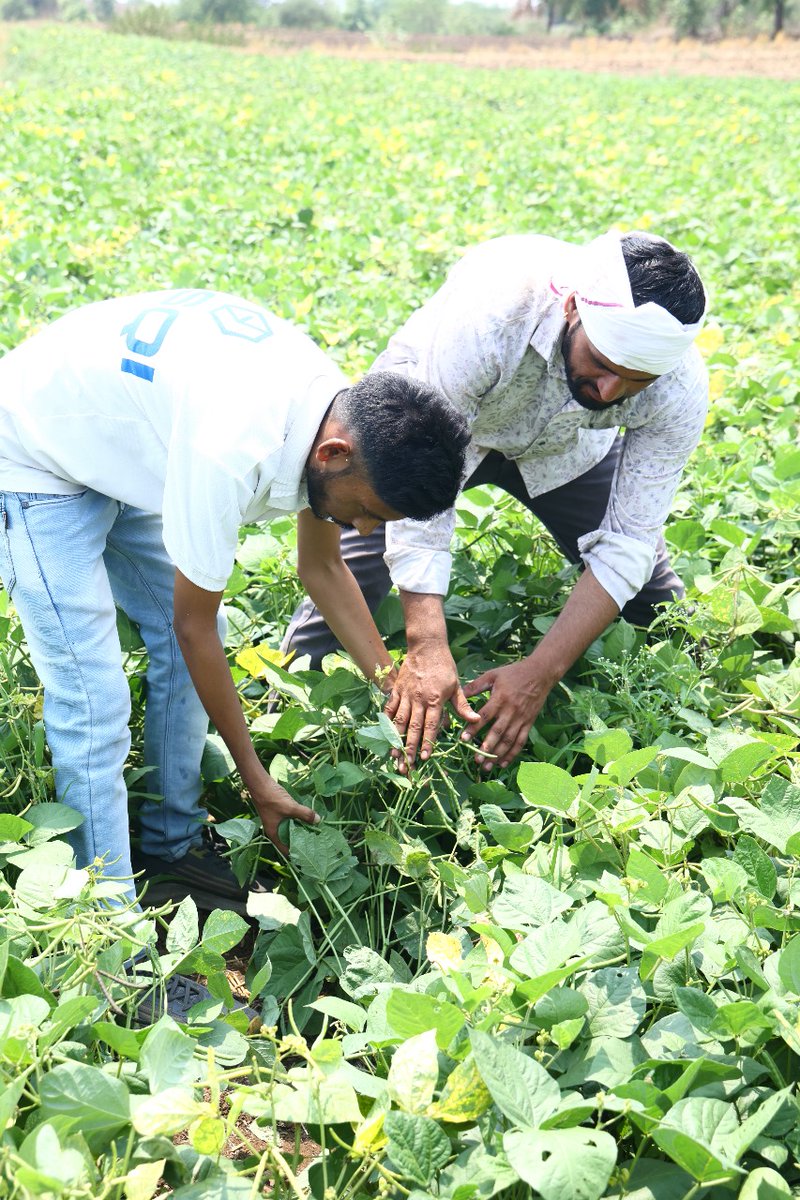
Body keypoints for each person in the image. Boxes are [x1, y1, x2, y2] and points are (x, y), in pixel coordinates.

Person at [0, 287, 469, 913]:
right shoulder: (233, 445)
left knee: (208, 629)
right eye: (363, 511)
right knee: (92, 696)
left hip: (120, 443)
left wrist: (394, 684)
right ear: (334, 455)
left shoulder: (335, 413)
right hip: (31, 450)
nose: (361, 530)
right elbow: (188, 626)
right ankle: (106, 926)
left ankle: (172, 844)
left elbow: (321, 567)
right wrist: (256, 781)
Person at [283, 229, 709, 775]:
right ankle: (289, 698)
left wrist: (540, 672)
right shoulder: (495, 312)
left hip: (566, 450)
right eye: (601, 363)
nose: (609, 392)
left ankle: (697, 678)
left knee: (653, 600)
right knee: (355, 569)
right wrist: (428, 642)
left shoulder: (678, 388)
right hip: (430, 432)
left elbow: (629, 541)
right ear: (574, 307)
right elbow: (421, 516)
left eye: (635, 382)